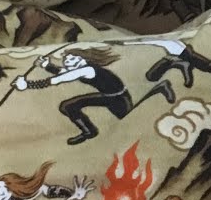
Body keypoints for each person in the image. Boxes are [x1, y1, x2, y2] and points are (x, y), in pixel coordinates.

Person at [15, 48, 175, 146]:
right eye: (67, 60)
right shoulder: (81, 68)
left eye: (73, 58)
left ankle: (159, 88)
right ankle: (89, 131)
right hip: (107, 96)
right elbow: (64, 73)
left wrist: (27, 85)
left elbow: (60, 79)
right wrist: (46, 65)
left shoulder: (87, 70)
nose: (68, 61)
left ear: (83, 59)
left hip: (118, 98)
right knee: (68, 105)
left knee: (131, 119)